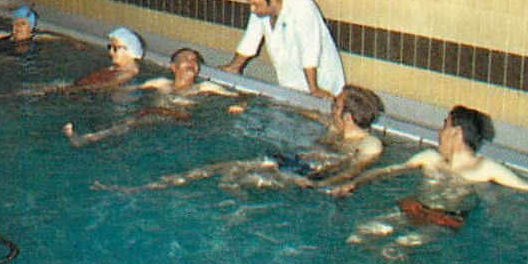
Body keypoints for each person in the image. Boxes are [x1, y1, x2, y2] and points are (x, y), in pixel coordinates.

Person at [130, 86, 386, 191]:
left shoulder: (369, 143)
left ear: (349, 116)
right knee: (224, 168)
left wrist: (329, 185)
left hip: (311, 174)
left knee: (245, 177)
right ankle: (154, 186)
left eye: (336, 104)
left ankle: (231, 206)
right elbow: (308, 113)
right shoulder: (334, 126)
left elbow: (356, 169)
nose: (331, 105)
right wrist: (268, 105)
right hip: (295, 160)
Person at [329, 105, 528, 201]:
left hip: (444, 220)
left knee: (400, 247)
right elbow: (388, 171)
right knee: (363, 235)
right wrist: (354, 183)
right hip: (414, 210)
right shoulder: (430, 158)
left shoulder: (483, 168)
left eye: (445, 125)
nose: (439, 132)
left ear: (456, 132)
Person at [63, 48, 232, 146]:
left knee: (135, 120)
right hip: (153, 116)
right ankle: (89, 138)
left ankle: (88, 138)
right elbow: (127, 87)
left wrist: (238, 105)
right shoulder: (160, 83)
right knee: (129, 121)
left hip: (182, 120)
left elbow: (239, 97)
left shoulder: (205, 87)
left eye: (194, 61)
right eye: (185, 59)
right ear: (174, 67)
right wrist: (89, 90)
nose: (191, 63)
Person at [219, 0, 344, 98]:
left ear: (273, 1)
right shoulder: (262, 10)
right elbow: (251, 38)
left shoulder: (302, 6)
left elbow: (310, 50)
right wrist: (233, 67)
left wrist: (314, 89)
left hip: (321, 79)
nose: (252, 9)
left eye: (256, 5)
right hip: (293, 80)